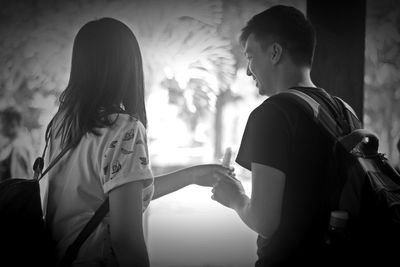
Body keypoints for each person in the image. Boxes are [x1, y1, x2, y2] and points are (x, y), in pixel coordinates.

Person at [43, 17, 231, 267]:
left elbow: (119, 195)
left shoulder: (62, 123)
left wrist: (193, 175)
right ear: (128, 67)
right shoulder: (123, 129)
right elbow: (125, 240)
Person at [211, 5, 350, 266]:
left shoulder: (271, 116)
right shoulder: (343, 109)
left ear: (275, 52)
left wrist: (235, 198)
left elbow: (265, 222)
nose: (248, 71)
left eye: (251, 57)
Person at [0, 106, 34, 180]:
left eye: (2, 122)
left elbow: (18, 183)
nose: (0, 126)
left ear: (13, 125)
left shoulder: (18, 148)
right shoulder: (11, 144)